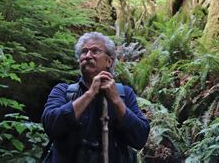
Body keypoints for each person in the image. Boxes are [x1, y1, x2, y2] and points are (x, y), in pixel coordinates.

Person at [42, 32, 150, 162]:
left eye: (95, 51)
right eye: (84, 52)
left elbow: (140, 138)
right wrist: (90, 93)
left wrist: (116, 100)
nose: (88, 56)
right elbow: (50, 125)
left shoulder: (124, 94)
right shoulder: (63, 91)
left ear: (109, 61)